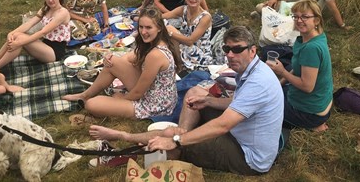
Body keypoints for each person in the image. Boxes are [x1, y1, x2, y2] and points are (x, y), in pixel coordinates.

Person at [88, 26, 284, 175]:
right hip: (241, 133)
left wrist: (177, 140)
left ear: (252, 50)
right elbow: (236, 102)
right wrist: (208, 102)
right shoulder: (252, 69)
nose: (230, 55)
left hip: (247, 156)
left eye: (237, 49)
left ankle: (124, 144)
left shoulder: (258, 82)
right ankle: (181, 136)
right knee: (193, 95)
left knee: (170, 135)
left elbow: (223, 125)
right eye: (227, 49)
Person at [62, 7, 182, 119]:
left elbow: (138, 92)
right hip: (152, 91)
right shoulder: (156, 41)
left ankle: (95, 99)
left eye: (148, 27)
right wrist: (111, 59)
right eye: (141, 27)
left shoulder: (155, 55)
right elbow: (131, 57)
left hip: (154, 104)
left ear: (159, 28)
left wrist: (122, 99)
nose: (143, 32)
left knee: (91, 105)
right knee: (112, 61)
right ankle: (84, 95)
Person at [267, 0, 333, 132]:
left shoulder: (311, 48)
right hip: (319, 102)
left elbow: (307, 87)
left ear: (316, 20)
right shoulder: (312, 37)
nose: (299, 20)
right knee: (271, 92)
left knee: (263, 107)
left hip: (310, 114)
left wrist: (282, 72)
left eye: (305, 17)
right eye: (296, 16)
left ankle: (312, 126)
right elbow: (297, 69)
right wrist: (280, 83)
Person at [0, 0, 71, 69]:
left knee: (19, 39)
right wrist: (11, 33)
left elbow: (42, 32)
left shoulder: (62, 12)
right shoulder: (45, 8)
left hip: (55, 52)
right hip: (45, 45)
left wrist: (19, 43)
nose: (50, 0)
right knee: (15, 35)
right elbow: (29, 23)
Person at [162, 0, 217, 72]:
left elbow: (190, 41)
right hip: (185, 46)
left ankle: (178, 65)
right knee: (161, 24)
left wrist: (170, 33)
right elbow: (162, 16)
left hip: (199, 54)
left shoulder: (205, 17)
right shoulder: (183, 9)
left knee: (170, 31)